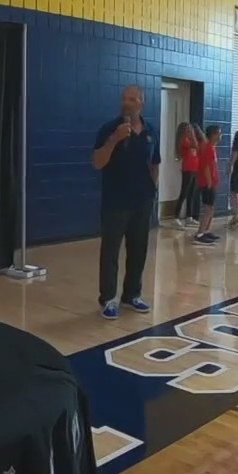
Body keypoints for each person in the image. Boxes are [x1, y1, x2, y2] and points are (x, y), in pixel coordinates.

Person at [91, 85, 159, 320]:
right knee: (110, 251)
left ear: (142, 102)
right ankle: (108, 298)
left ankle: (132, 295)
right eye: (124, 99)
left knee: (138, 250)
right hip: (115, 201)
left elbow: (155, 162)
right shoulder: (109, 129)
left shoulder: (150, 130)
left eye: (132, 99)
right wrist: (115, 139)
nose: (127, 103)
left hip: (142, 201)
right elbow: (97, 162)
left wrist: (152, 189)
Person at [193, 125, 222, 246]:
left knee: (211, 208)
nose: (221, 136)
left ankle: (206, 230)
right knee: (208, 208)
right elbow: (205, 166)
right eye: (219, 134)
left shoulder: (211, 147)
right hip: (206, 182)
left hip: (211, 181)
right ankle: (200, 234)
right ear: (214, 135)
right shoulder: (208, 148)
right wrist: (209, 181)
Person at [173, 122, 202, 228]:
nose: (190, 130)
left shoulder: (191, 138)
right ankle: (175, 217)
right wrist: (191, 136)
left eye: (191, 128)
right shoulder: (184, 140)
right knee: (184, 193)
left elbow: (198, 147)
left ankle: (189, 216)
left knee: (192, 193)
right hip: (188, 168)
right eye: (188, 129)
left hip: (195, 167)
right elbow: (193, 146)